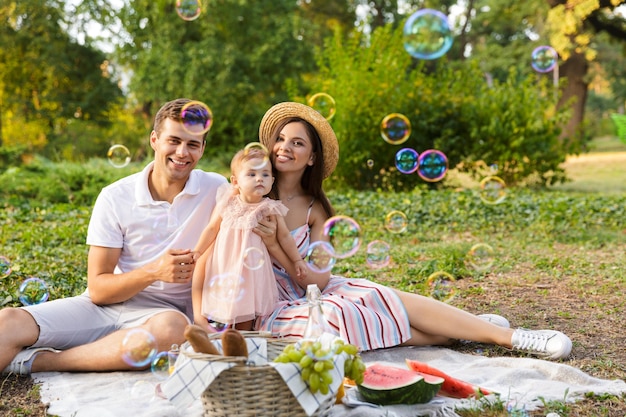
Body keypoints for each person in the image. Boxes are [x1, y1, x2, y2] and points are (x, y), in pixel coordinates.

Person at [252, 101, 572, 360]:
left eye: (297, 142)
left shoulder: (315, 209)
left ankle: (512, 338)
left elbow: (318, 282)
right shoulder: (253, 194)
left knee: (375, 295)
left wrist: (276, 246)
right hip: (273, 304)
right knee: (334, 318)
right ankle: (464, 328)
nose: (284, 147)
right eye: (280, 139)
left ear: (312, 158)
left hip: (312, 291)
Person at [0, 98, 227, 375]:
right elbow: (98, 290)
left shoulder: (215, 188)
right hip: (105, 307)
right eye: (173, 140)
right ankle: (96, 350)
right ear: (154, 139)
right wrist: (154, 271)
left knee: (172, 331)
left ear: (202, 149)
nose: (182, 152)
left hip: (164, 315)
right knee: (7, 321)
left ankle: (42, 361)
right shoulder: (115, 196)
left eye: (193, 144)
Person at [191, 145, 307, 331]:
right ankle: (218, 334)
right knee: (223, 303)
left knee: (246, 308)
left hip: (252, 271)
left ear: (272, 181)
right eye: (251, 174)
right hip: (225, 264)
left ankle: (241, 339)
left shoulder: (270, 208)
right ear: (235, 182)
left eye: (265, 174)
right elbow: (211, 228)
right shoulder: (228, 202)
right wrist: (198, 250)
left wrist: (297, 260)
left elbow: (284, 237)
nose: (259, 178)